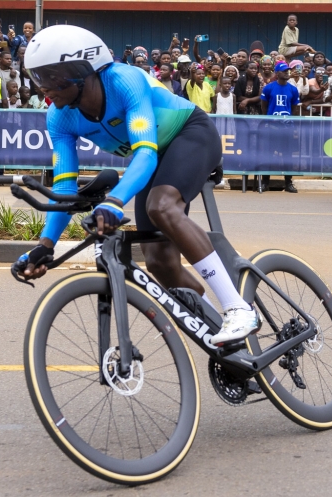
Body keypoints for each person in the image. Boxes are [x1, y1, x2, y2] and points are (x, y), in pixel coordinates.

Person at [14, 25, 260, 346]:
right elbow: (64, 188)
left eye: (52, 77)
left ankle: (237, 308)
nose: (44, 88)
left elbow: (145, 151)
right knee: (158, 261)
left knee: (161, 206)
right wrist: (45, 246)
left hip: (190, 134)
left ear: (81, 70)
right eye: (38, 78)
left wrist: (114, 201)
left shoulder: (123, 80)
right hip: (154, 158)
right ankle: (217, 326)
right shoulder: (59, 117)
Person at [260, 60, 301, 193]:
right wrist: (268, 120)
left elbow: (294, 108)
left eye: (287, 70)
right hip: (272, 127)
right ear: (277, 73)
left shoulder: (293, 89)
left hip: (286, 128)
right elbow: (264, 106)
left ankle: (288, 183)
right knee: (269, 155)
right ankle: (265, 182)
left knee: (287, 155)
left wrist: (291, 123)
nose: (287, 73)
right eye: (284, 71)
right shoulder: (269, 88)